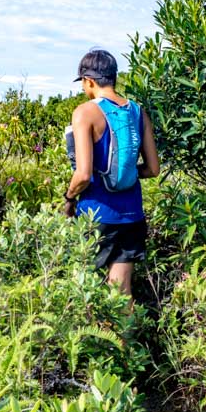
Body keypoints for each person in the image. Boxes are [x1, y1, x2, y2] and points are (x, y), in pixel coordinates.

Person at [63, 49, 160, 297]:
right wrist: (124, 172)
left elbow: (83, 175)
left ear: (89, 80)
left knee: (87, 291)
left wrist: (69, 198)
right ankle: (126, 337)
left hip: (97, 215)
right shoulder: (138, 112)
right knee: (120, 292)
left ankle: (94, 336)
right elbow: (153, 169)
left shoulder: (84, 112)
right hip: (131, 215)